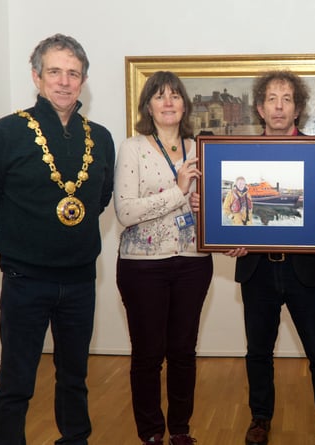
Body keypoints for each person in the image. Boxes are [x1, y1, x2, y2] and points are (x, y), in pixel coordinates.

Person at [0, 34, 115, 444]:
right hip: (24, 278)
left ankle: (74, 439)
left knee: (75, 376)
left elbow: (100, 197)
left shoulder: (100, 138)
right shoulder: (6, 132)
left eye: (73, 73)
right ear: (36, 76)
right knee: (17, 379)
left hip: (81, 278)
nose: (64, 81)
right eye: (55, 71)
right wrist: (23, 234)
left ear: (83, 80)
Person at [198, 70, 315, 445]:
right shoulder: (239, 152)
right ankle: (259, 418)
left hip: (305, 272)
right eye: (272, 100)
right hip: (257, 269)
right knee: (258, 352)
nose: (280, 106)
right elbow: (229, 212)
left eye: (288, 99)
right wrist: (226, 235)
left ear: (298, 109)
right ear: (260, 109)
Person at [114, 71, 213, 445]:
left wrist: (219, 221)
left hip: (193, 262)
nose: (168, 101)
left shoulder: (201, 147)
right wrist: (179, 191)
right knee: (148, 354)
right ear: (148, 106)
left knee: (184, 352)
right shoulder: (133, 148)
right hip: (142, 266)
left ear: (184, 104)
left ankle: (181, 430)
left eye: (175, 95)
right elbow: (125, 212)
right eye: (159, 96)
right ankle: (152, 432)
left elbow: (214, 208)